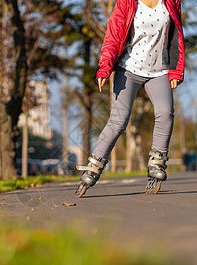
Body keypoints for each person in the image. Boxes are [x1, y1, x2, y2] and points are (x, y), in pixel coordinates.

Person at [75, 0, 185, 197]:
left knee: (166, 112)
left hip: (159, 70)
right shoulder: (127, 2)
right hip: (128, 70)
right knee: (119, 120)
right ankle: (94, 164)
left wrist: (176, 71)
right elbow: (113, 35)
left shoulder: (171, 1)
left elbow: (177, 35)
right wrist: (105, 67)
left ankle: (157, 161)